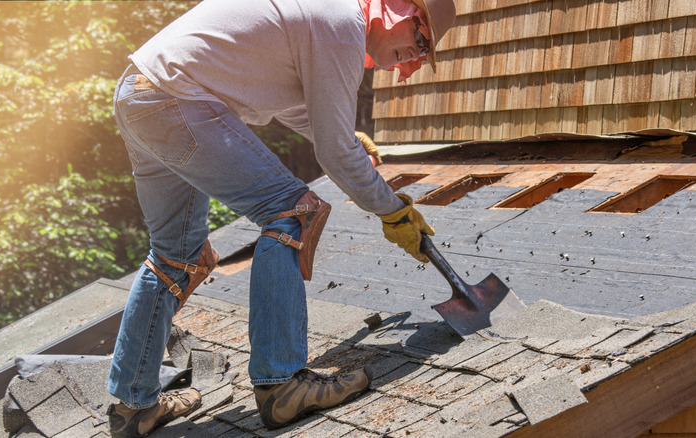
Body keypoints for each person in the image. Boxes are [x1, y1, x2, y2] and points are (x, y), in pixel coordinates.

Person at [106, 0, 456, 436]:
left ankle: (133, 406)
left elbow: (292, 106)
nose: (418, 58)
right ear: (399, 9)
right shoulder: (343, 22)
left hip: (139, 95)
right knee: (294, 211)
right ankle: (281, 383)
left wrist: (342, 138)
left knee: (176, 256)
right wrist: (392, 211)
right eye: (421, 38)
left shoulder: (325, 15)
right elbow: (334, 156)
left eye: (427, 52)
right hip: (175, 99)